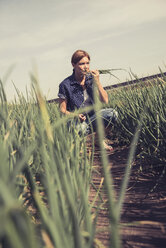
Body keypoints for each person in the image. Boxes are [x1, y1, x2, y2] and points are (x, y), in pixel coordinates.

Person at [58, 49, 118, 151]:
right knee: (81, 128)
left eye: (87, 63)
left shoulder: (91, 79)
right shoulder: (65, 85)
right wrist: (75, 115)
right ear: (73, 65)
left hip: (93, 117)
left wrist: (97, 81)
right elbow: (62, 110)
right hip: (77, 121)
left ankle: (98, 140)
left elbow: (105, 101)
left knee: (112, 114)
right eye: (81, 64)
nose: (86, 67)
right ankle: (79, 144)